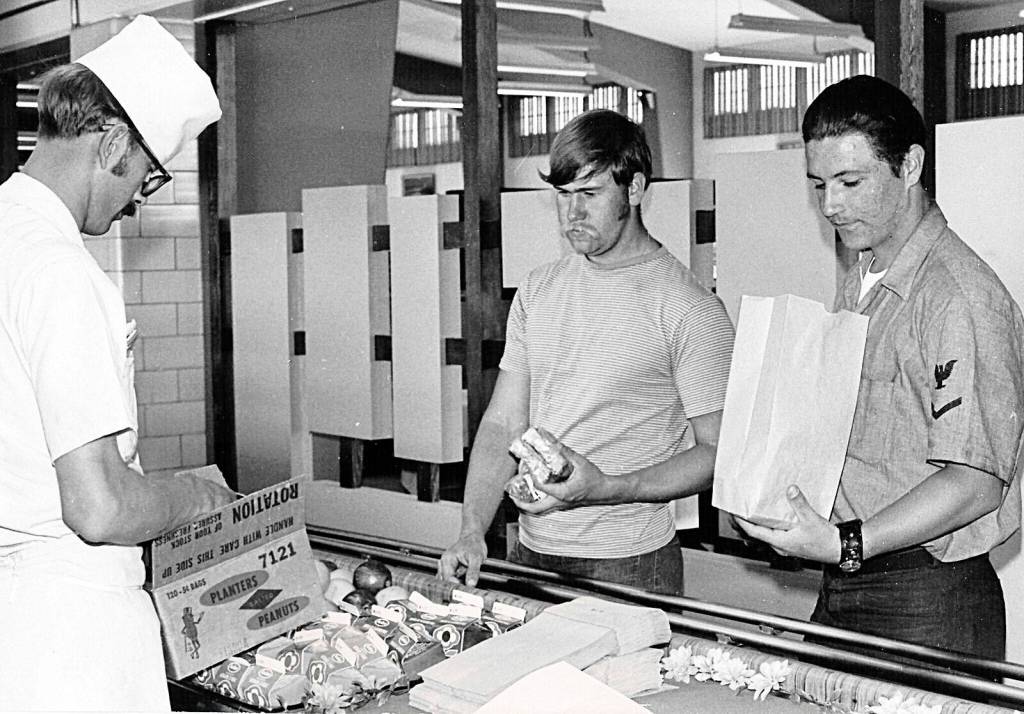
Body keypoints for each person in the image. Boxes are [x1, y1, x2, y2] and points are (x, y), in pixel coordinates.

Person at [736, 75, 1024, 659]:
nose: (830, 205)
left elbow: (974, 483)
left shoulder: (958, 297)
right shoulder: (864, 273)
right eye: (818, 184)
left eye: (850, 181)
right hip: (850, 576)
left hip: (926, 595)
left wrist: (845, 542)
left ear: (910, 166)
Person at [0, 16, 236, 711]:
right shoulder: (60, 271)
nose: (137, 201)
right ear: (111, 144)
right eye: (148, 175)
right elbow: (98, 507)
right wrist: (194, 496)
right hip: (74, 636)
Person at [437, 109, 735, 595]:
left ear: (635, 190)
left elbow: (718, 454)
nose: (572, 215)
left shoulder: (688, 308)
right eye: (563, 196)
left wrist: (610, 487)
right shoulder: (539, 289)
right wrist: (472, 529)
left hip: (630, 563)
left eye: (590, 195)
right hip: (531, 553)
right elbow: (502, 424)